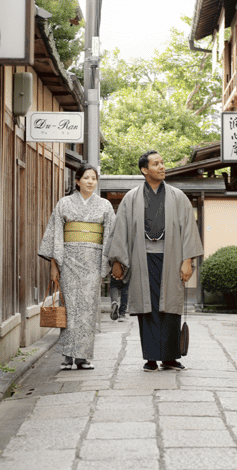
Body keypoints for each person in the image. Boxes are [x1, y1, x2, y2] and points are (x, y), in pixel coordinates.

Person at [105, 150, 203, 372]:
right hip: (142, 257)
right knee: (147, 308)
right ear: (144, 170)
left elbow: (188, 230)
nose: (162, 167)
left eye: (162, 163)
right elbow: (121, 231)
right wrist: (118, 261)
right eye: (156, 164)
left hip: (172, 256)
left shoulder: (178, 197)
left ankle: (169, 358)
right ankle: (150, 357)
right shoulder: (131, 198)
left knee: (170, 306)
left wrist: (187, 260)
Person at [39, 164, 115, 370]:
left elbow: (109, 236)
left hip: (92, 260)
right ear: (77, 181)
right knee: (70, 308)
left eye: (94, 178)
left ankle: (82, 356)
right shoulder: (64, 204)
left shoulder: (105, 206)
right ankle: (67, 354)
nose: (91, 181)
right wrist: (54, 266)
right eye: (86, 178)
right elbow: (56, 235)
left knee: (88, 309)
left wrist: (106, 265)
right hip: (69, 261)